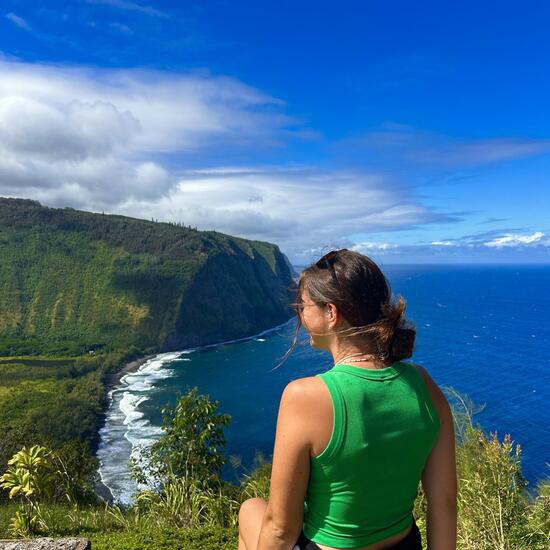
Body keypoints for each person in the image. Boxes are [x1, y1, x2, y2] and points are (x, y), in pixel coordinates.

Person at [238, 249, 457, 550]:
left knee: (251, 509)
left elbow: (280, 529)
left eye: (303, 306)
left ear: (331, 313)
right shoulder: (425, 387)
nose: (299, 316)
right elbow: (443, 503)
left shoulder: (305, 397)